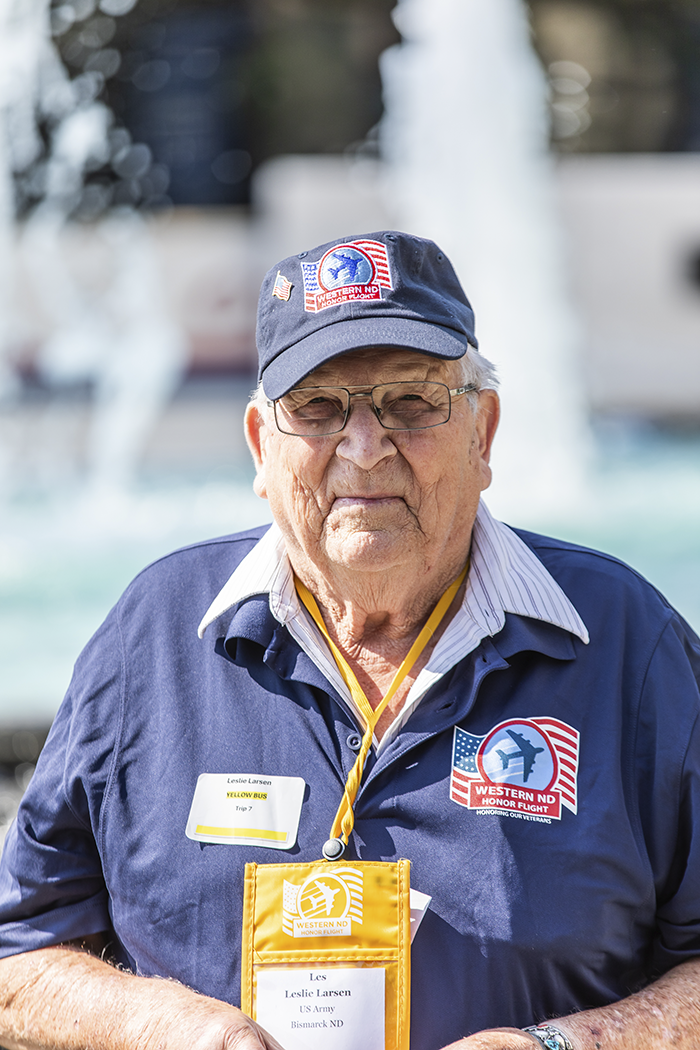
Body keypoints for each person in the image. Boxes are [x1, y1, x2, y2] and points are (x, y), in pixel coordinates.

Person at [1, 230, 700, 1050]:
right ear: (264, 447)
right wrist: (170, 1028)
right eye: (319, 409)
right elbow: (20, 956)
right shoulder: (152, 637)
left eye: (412, 402)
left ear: (485, 433)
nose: (364, 450)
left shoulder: (626, 643)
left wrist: (566, 1047)